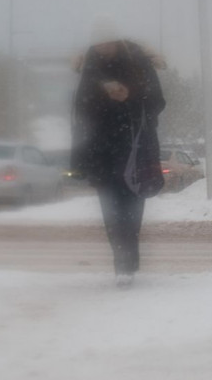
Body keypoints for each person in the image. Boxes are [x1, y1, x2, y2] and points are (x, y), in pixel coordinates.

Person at [71, 17, 166, 288]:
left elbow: (158, 102)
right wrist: (102, 97)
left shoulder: (138, 63)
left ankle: (128, 260)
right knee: (110, 209)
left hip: (134, 146)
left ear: (117, 41)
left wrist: (130, 97)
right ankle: (122, 264)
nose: (103, 48)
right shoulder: (90, 67)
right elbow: (81, 109)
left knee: (132, 205)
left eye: (107, 42)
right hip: (100, 148)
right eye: (98, 43)